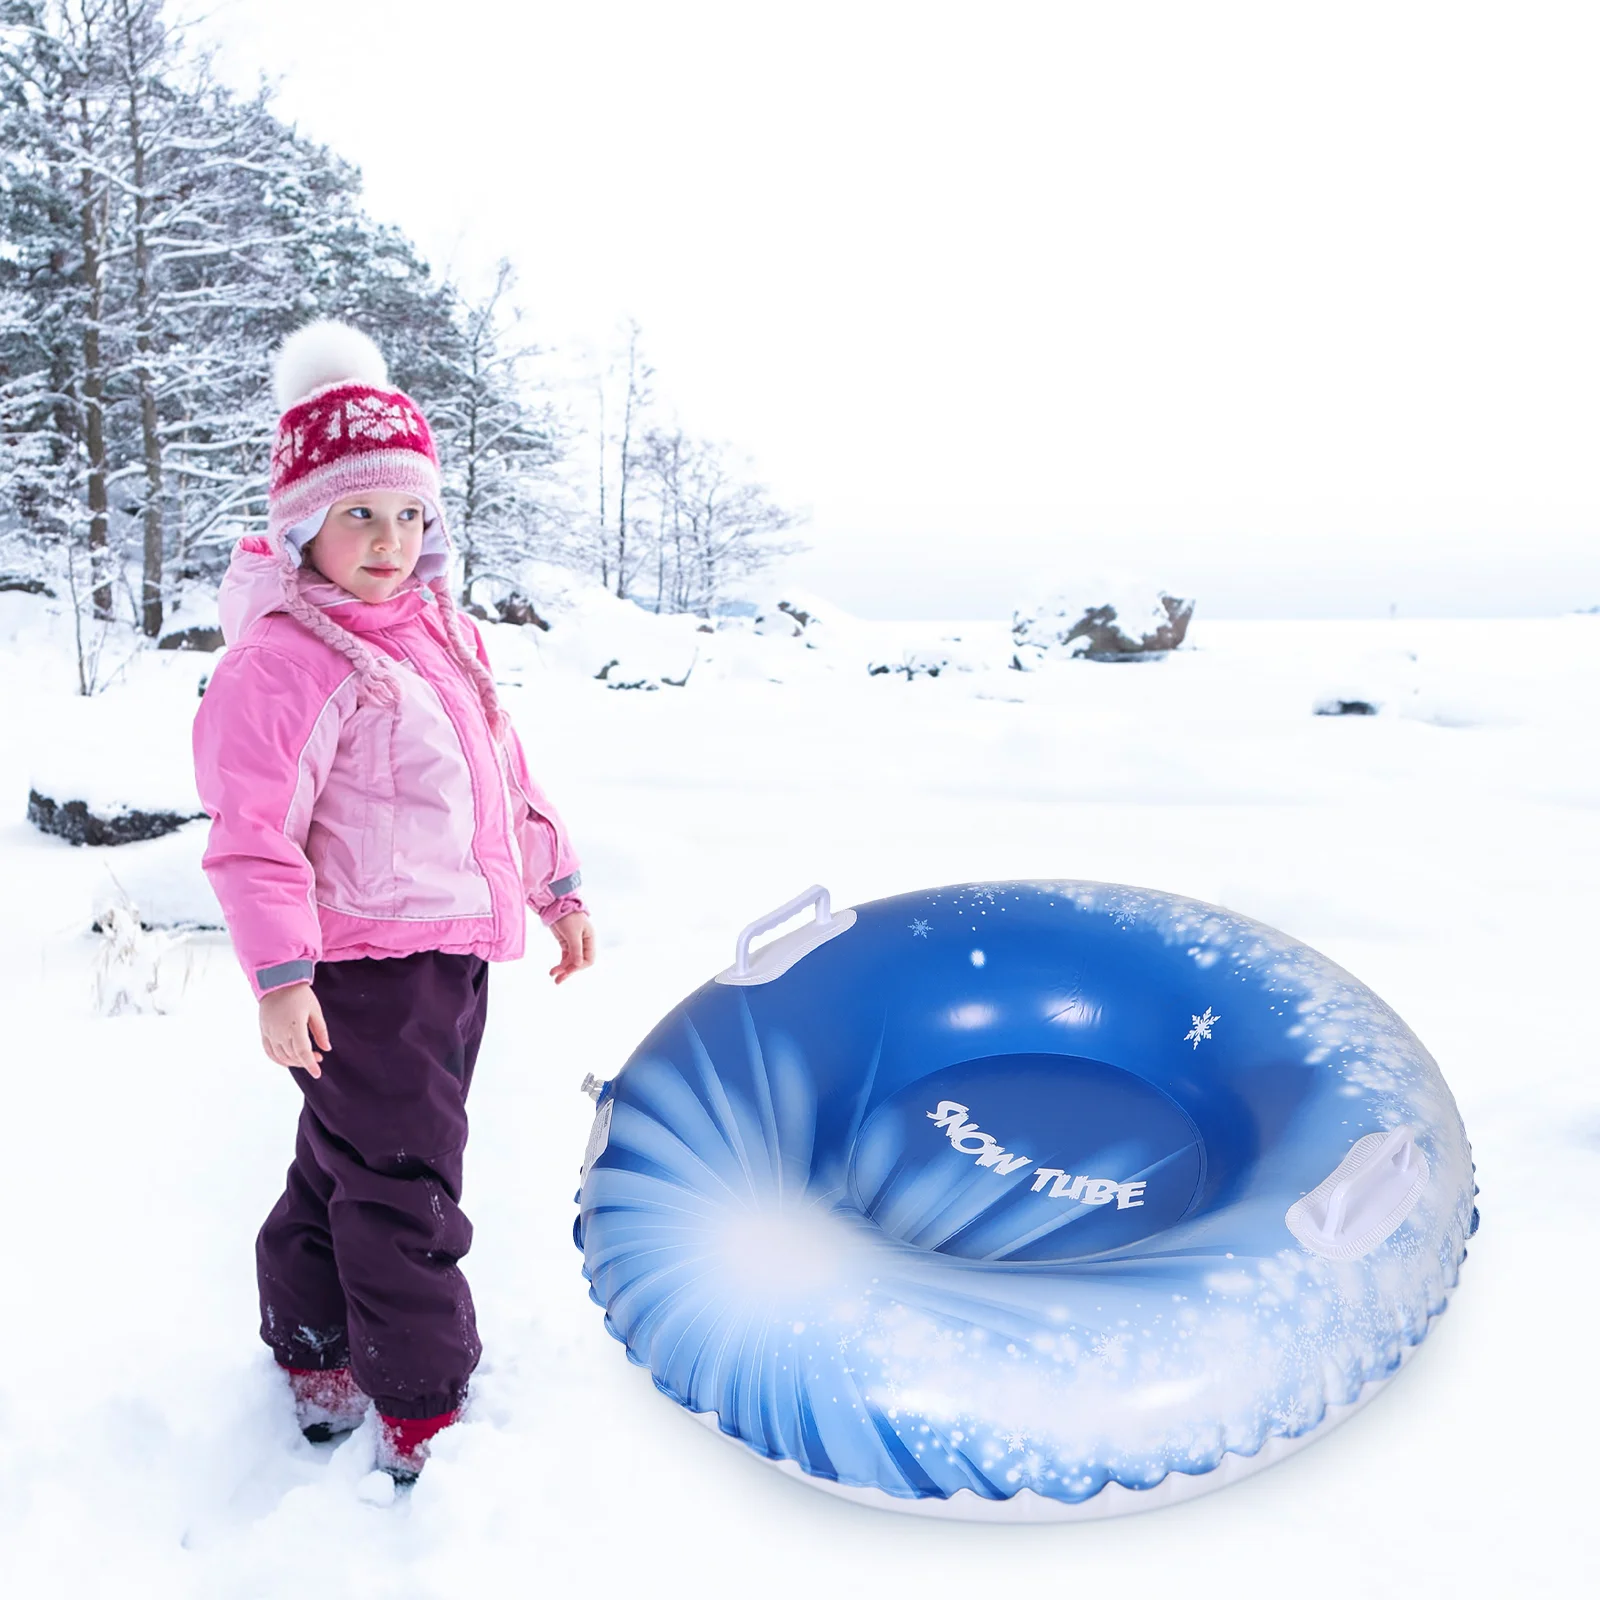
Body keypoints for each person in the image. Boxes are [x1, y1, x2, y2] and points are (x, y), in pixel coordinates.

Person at [192, 318, 594, 1483]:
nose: (389, 540)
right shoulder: (286, 659)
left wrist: (551, 879)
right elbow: (251, 835)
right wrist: (281, 976)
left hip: (447, 956)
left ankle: (314, 1348)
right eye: (359, 513)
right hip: (361, 968)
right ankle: (420, 1404)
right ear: (303, 521)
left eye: (411, 512)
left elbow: (497, 770)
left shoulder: (435, 631)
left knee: (345, 1163)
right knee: (404, 1184)